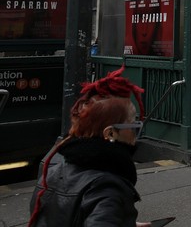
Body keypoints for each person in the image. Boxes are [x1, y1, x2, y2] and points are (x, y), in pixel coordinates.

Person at [28, 67, 148, 227]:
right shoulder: (106, 187)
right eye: (133, 124)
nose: (136, 129)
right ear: (110, 133)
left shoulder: (53, 172)